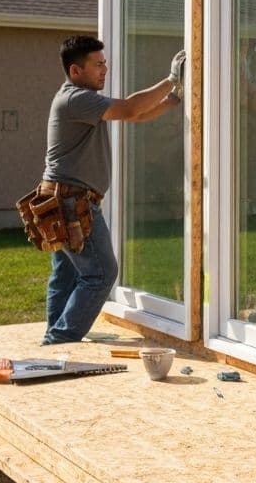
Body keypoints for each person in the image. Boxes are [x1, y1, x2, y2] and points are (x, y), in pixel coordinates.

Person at [40, 35, 185, 345]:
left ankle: (55, 338)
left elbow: (138, 115)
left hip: (61, 198)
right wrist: (171, 79)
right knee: (102, 273)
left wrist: (173, 100)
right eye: (98, 65)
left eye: (105, 63)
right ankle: (60, 338)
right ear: (76, 71)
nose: (104, 70)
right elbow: (131, 109)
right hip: (70, 201)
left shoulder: (80, 99)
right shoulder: (75, 99)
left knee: (66, 275)